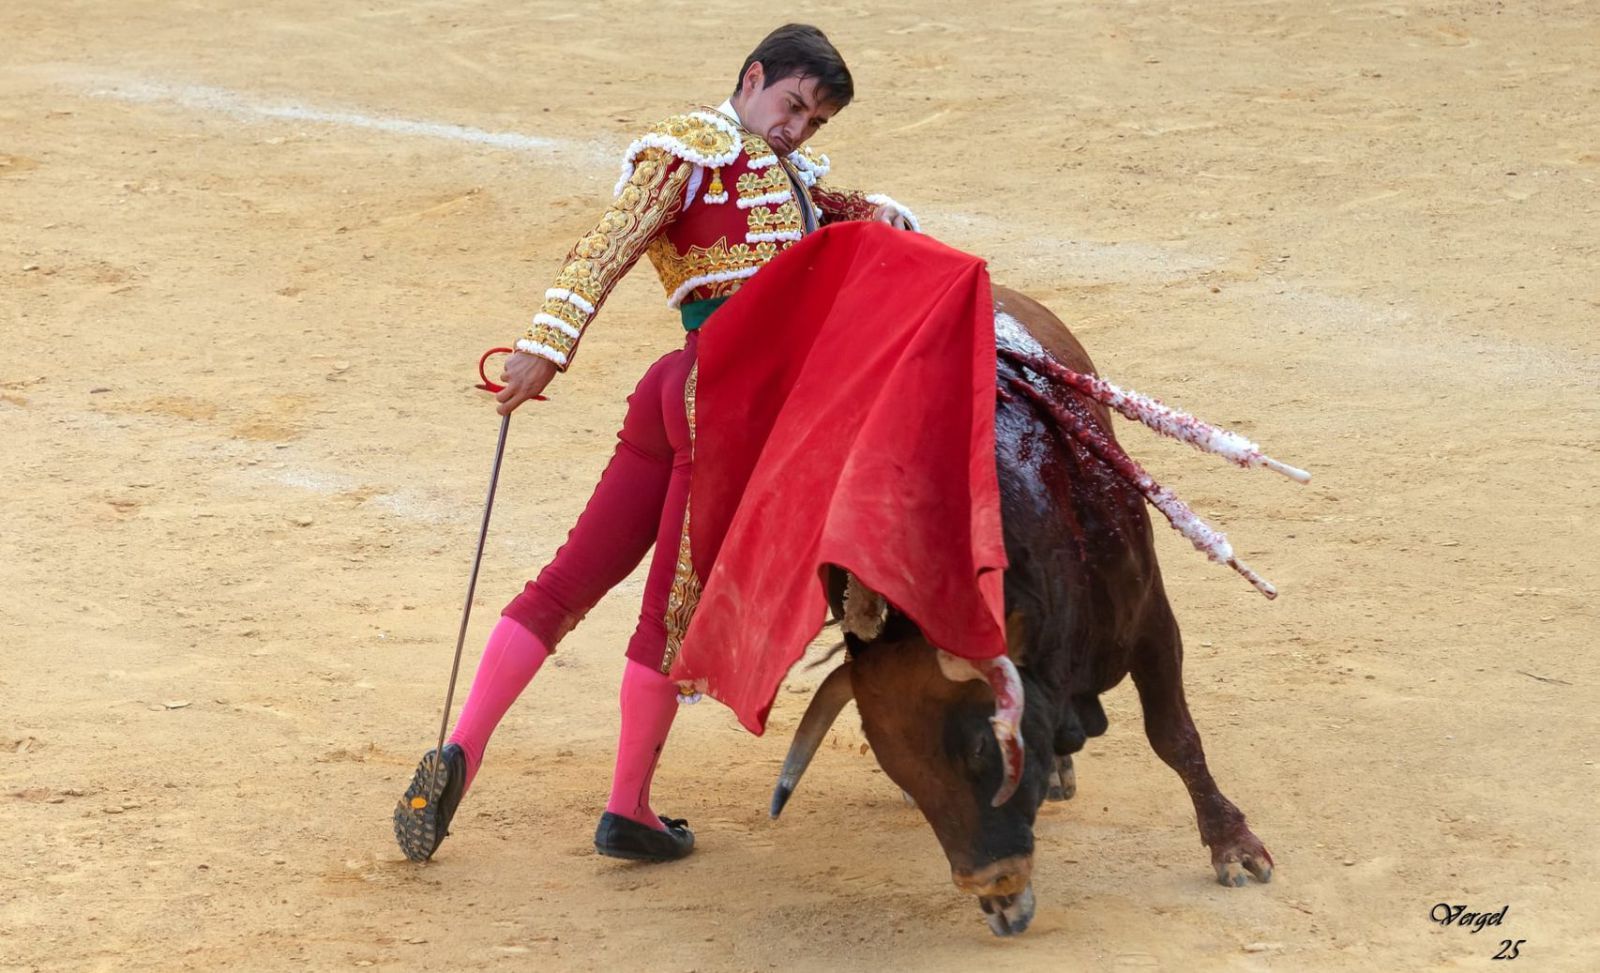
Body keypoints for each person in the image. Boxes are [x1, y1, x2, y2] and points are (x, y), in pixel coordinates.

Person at [394, 22, 917, 864]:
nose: (797, 129)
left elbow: (809, 225)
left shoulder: (787, 172)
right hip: (723, 407)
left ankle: (464, 747)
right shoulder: (687, 148)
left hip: (676, 389)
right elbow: (608, 244)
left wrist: (870, 209)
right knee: (666, 617)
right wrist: (544, 346)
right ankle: (625, 807)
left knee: (570, 583)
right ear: (751, 79)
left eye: (815, 122)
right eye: (791, 106)